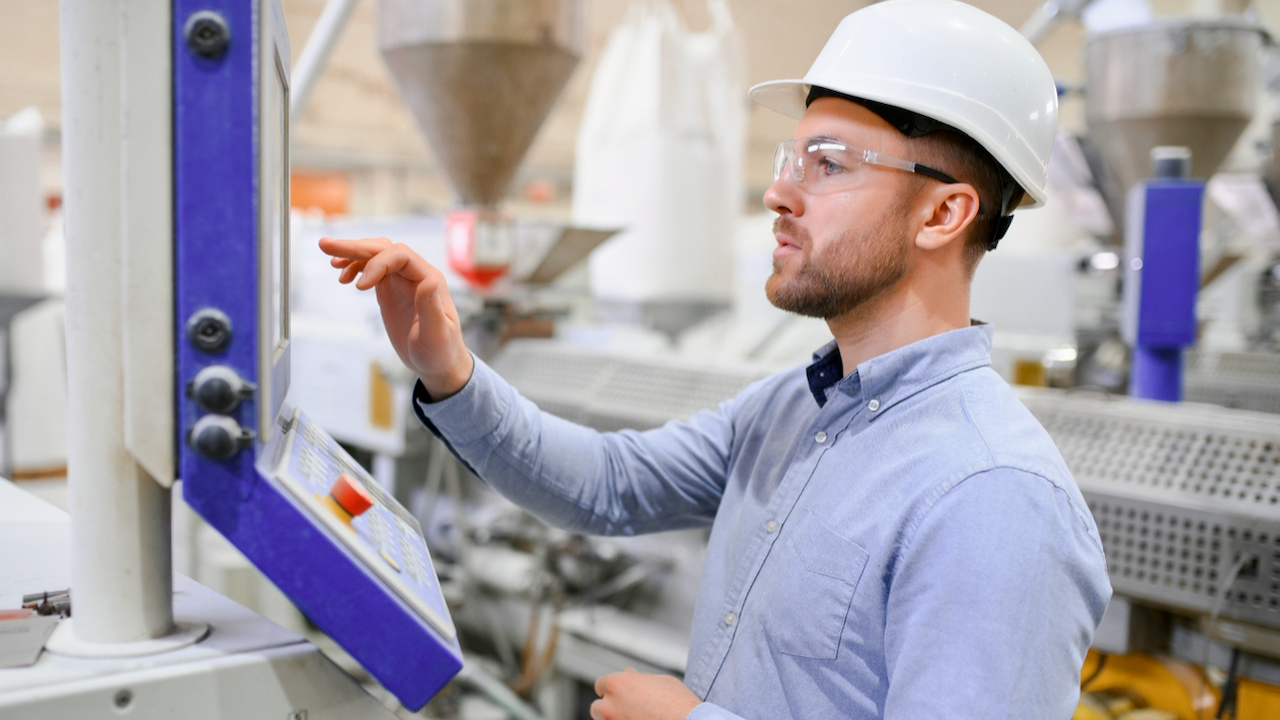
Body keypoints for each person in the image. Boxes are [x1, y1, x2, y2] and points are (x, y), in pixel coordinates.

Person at [320, 0, 1112, 717]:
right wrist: (448, 371)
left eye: (829, 164)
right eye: (789, 160)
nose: (779, 195)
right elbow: (609, 485)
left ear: (943, 213)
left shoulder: (995, 501)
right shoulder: (792, 408)